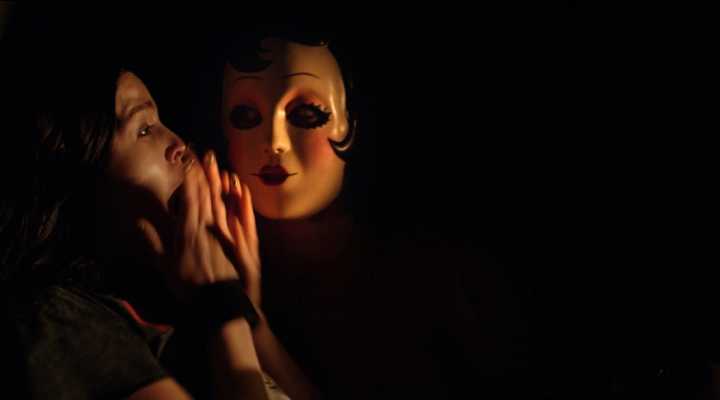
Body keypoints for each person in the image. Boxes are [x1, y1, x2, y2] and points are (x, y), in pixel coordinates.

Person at [209, 27, 529, 399]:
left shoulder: (437, 276)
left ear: (351, 123)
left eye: (306, 114)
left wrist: (250, 324)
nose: (274, 142)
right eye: (246, 115)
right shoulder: (211, 262)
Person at [0, 26, 302, 398]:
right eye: (144, 130)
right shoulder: (58, 321)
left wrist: (249, 315)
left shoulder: (172, 304)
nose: (178, 144)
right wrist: (222, 308)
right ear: (79, 182)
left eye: (160, 121)